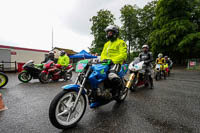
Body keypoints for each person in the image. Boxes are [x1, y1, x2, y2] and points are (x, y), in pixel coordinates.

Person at [100, 25, 127, 98]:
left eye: (110, 33)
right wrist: (102, 60)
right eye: (108, 32)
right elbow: (103, 54)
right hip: (105, 63)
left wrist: (113, 60)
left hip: (115, 63)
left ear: (115, 33)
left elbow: (123, 54)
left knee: (111, 75)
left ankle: (119, 89)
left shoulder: (121, 42)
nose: (109, 34)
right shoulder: (106, 44)